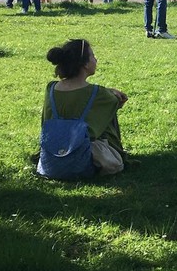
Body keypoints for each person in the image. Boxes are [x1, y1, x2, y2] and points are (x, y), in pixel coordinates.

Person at [42, 39, 128, 175]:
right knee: (107, 120)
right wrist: (112, 92)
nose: (96, 59)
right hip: (84, 153)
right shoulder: (98, 93)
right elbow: (118, 101)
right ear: (85, 64)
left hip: (52, 152)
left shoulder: (51, 88)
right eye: (93, 56)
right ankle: (115, 154)